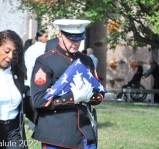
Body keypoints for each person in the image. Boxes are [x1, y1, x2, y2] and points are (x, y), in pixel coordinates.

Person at [30, 19, 104, 149]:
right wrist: (72, 97)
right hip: (55, 134)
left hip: (84, 132)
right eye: (71, 39)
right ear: (60, 35)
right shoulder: (45, 61)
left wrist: (88, 96)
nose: (76, 43)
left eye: (79, 39)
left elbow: (100, 93)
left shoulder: (86, 60)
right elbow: (38, 100)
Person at [24, 30, 48, 131]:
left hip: (29, 79)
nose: (47, 38)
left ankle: (32, 125)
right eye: (45, 36)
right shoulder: (44, 48)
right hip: (39, 79)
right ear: (39, 38)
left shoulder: (29, 49)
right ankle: (39, 124)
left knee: (31, 103)